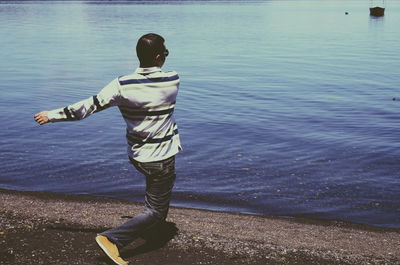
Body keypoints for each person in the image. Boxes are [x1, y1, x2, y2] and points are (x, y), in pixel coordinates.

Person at [34, 33, 182, 265]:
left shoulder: (122, 85)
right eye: (165, 52)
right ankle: (112, 239)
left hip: (138, 155)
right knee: (157, 211)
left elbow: (87, 107)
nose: (166, 55)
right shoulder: (173, 78)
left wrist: (51, 115)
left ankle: (146, 224)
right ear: (158, 56)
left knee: (153, 193)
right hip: (161, 157)